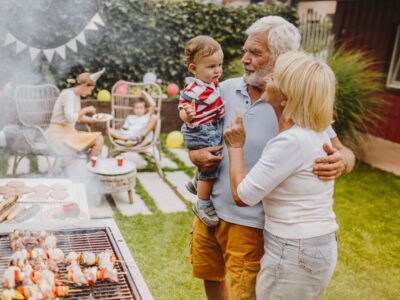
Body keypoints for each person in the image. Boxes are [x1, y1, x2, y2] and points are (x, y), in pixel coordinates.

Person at [188, 16, 355, 300]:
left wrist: (343, 161)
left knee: (245, 293)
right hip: (208, 212)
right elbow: (199, 134)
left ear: (279, 58)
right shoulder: (224, 89)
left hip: (251, 225)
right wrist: (195, 154)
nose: (245, 59)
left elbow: (343, 151)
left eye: (255, 53)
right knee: (210, 275)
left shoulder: (293, 104)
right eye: (245, 51)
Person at [224, 51, 338, 299]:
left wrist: (235, 146)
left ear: (286, 97)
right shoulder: (314, 133)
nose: (268, 78)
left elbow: (242, 195)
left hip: (294, 251)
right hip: (316, 244)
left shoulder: (290, 142)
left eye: (276, 77)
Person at [179, 36, 225, 227]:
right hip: (200, 130)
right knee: (210, 165)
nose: (217, 70)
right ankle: (203, 203)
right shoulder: (194, 89)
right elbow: (182, 108)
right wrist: (187, 115)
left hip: (209, 127)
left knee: (208, 161)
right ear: (193, 68)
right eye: (211, 66)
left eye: (220, 65)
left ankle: (195, 182)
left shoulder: (210, 83)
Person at [46, 70, 104, 158]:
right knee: (72, 153)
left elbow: (78, 117)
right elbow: (70, 118)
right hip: (58, 135)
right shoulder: (68, 95)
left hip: (70, 133)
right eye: (90, 90)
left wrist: (95, 120)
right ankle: (77, 169)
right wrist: (86, 109)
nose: (90, 93)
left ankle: (90, 168)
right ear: (85, 85)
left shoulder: (76, 95)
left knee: (99, 139)